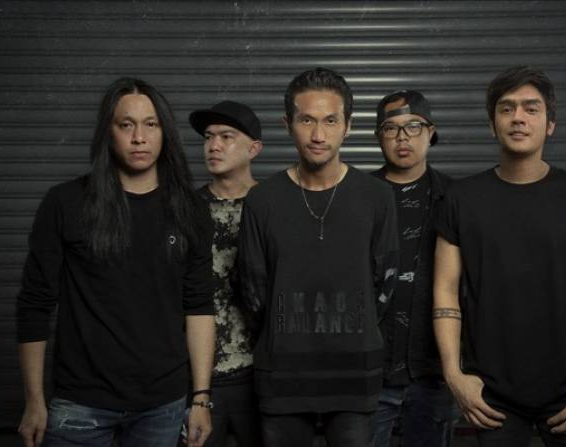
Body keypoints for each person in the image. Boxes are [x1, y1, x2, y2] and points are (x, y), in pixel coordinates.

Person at [16, 77, 216, 447]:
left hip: (163, 404)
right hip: (80, 402)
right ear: (108, 133)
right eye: (126, 125)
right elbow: (34, 304)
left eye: (150, 124)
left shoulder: (191, 210)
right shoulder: (65, 203)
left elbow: (200, 306)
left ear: (165, 133)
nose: (139, 137)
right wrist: (33, 400)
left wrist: (201, 398)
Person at [433, 65, 566, 447]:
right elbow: (445, 290)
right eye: (506, 108)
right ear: (492, 124)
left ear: (550, 124)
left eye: (531, 108)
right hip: (493, 396)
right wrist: (456, 377)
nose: (518, 117)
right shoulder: (461, 200)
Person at [236, 67, 399, 447]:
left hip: (355, 373)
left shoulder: (377, 196)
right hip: (282, 374)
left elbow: (386, 280)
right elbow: (252, 290)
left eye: (330, 121)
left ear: (348, 126)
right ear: (287, 124)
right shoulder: (262, 200)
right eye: (306, 120)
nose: (318, 135)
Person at [370, 90, 458, 447]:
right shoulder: (358, 195)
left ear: (430, 132)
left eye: (413, 127)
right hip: (370, 371)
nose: (402, 137)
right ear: (379, 136)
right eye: (391, 128)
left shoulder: (456, 197)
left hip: (434, 371)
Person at [187, 100, 263, 446]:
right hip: (200, 379)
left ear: (254, 148)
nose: (214, 146)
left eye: (227, 136)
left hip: (261, 377)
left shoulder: (275, 206)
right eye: (208, 137)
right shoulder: (186, 210)